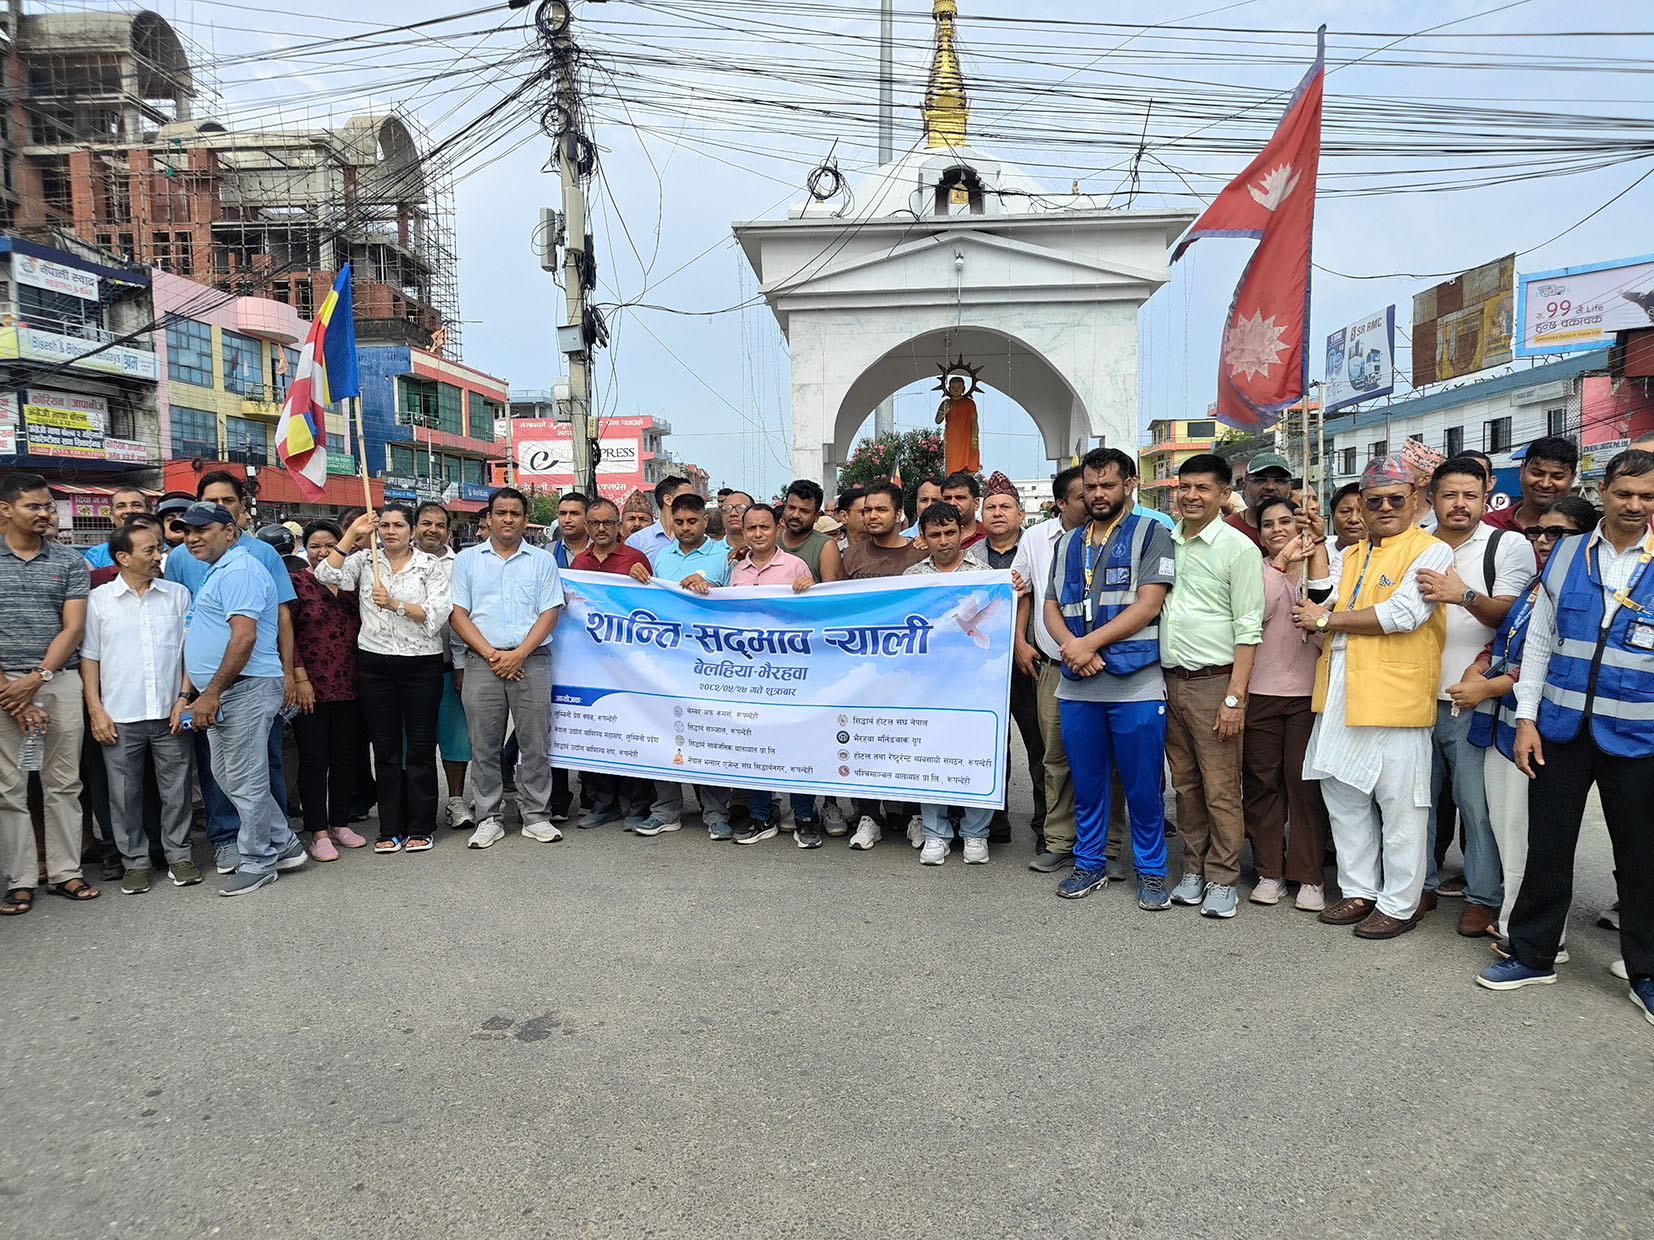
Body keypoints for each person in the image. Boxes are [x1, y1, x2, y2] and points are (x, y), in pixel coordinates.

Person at [1478, 450, 1654, 1023]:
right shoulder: (1566, 553)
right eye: (1624, 493)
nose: (1634, 505)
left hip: (1638, 734)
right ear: (1603, 490)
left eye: (1647, 496)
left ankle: (1644, 973)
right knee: (1548, 845)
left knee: (1641, 857)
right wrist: (1525, 718)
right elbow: (1539, 644)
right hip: (1558, 728)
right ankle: (1532, 953)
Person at [1292, 456, 1452, 939]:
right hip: (1341, 695)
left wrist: (1325, 621)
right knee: (1343, 798)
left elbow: (1404, 614)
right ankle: (1359, 889)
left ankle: (1400, 904)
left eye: (1395, 499)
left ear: (1418, 503)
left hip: (1396, 701)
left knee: (1402, 808)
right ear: (1361, 504)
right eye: (1374, 500)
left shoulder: (1433, 551)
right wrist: (1317, 545)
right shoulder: (1352, 555)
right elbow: (1322, 594)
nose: (1385, 507)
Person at [1449, 495, 1595, 947]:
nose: (1544, 540)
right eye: (1537, 532)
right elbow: (1507, 640)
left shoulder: (1583, 587)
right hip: (1499, 724)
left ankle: (1534, 936)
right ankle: (1519, 925)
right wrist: (1479, 664)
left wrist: (1490, 685)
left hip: (1538, 727)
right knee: (1504, 830)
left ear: (1586, 538)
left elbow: (1556, 663)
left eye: (1559, 533)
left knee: (1528, 838)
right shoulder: (1539, 582)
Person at [1043, 448, 1176, 909]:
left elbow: (1148, 604)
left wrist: (1090, 644)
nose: (1098, 495)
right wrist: (1073, 648)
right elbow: (1051, 607)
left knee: (1142, 787)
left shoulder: (1151, 534)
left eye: (1107, 485)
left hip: (1135, 682)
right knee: (1088, 782)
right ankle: (1089, 863)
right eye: (1090, 487)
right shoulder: (1067, 543)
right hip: (1078, 681)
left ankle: (1152, 870)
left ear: (1130, 485)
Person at [1415, 456, 1535, 936]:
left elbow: (1515, 619)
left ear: (1486, 497)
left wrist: (1461, 594)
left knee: (1475, 805)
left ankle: (1483, 895)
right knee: (1416, 802)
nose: (1459, 504)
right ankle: (1417, 884)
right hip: (1412, 698)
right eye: (1449, 495)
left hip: (1472, 700)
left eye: (1470, 495)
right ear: (1433, 499)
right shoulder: (1414, 543)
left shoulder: (1508, 546)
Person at [167, 471, 298, 874]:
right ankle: (285, 844)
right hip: (225, 691)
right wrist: (195, 692)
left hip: (242, 690)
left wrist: (210, 694)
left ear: (230, 529)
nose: (193, 538)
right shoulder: (216, 567)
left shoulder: (240, 569)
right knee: (229, 776)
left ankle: (258, 861)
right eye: (186, 531)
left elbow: (243, 638)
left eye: (202, 530)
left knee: (247, 778)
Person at [1160, 454, 1265, 919]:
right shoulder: (1168, 543)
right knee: (1184, 786)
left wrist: (1234, 699)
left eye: (1203, 488)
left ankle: (1223, 877)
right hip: (1169, 682)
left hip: (1214, 683)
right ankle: (1193, 869)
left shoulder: (1238, 549)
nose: (1190, 496)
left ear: (1225, 496)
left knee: (1221, 787)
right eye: (1185, 487)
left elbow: (1249, 629)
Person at [316, 507, 451, 854]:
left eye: (399, 525)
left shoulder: (429, 565)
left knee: (420, 749)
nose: (392, 531)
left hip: (421, 664)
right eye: (385, 525)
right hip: (375, 664)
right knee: (386, 750)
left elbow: (437, 614)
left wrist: (396, 604)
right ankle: (389, 827)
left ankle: (421, 824)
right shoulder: (364, 561)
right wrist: (353, 534)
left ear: (411, 530)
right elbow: (324, 573)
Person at [81, 520, 198, 893]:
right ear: (123, 557)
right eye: (149, 550)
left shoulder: (177, 595)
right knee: (124, 794)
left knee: (176, 790)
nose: (158, 556)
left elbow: (188, 654)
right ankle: (135, 862)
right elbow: (90, 659)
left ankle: (179, 856)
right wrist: (96, 710)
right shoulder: (99, 601)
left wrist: (183, 698)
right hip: (119, 715)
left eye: (159, 548)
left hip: (170, 713)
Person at [0, 472, 96, 914]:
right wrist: (11, 691)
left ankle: (65, 872)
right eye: (34, 506)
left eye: (48, 507)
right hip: (3, 686)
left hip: (57, 680)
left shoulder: (70, 560)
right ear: (6, 510)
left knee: (63, 783)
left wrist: (36, 679)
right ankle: (19, 879)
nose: (44, 514)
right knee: (9, 788)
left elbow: (73, 627)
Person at [448, 488, 564, 850]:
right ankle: (488, 817)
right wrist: (493, 655)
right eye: (501, 513)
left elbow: (550, 613)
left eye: (515, 513)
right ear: (489, 518)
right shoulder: (467, 561)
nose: (508, 519)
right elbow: (457, 614)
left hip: (532, 661)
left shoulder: (542, 561)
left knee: (535, 744)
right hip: (483, 662)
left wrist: (519, 654)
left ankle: (535, 816)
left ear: (525, 519)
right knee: (484, 745)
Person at [630, 492, 736, 840]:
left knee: (709, 735)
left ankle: (716, 812)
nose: (686, 528)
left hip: (711, 662)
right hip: (668, 661)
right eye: (679, 522)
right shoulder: (661, 558)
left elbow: (737, 604)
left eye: (693, 521)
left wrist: (712, 589)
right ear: (669, 522)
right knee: (665, 730)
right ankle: (665, 809)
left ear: (705, 521)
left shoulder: (725, 555)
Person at [1245, 497, 1331, 910]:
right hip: (1259, 691)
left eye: (1286, 521)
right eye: (1268, 524)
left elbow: (1328, 618)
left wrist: (1313, 563)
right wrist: (1280, 565)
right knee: (1263, 785)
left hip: (1308, 695)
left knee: (1305, 788)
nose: (1277, 529)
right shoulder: (1256, 569)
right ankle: (1269, 872)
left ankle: (1309, 876)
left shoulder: (1325, 567)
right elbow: (1255, 614)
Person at [899, 501, 993, 863]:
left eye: (949, 532)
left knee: (975, 752)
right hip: (929, 682)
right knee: (931, 752)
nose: (943, 541)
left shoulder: (984, 575)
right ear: (922, 537)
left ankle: (975, 832)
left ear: (962, 533)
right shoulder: (910, 578)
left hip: (975, 681)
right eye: (934, 534)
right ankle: (936, 832)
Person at [839, 481, 925, 850]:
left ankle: (913, 815)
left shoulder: (917, 555)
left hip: (910, 669)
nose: (872, 516)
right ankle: (868, 814)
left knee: (908, 742)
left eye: (881, 510)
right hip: (863, 669)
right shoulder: (852, 556)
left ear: (899, 514)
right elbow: (837, 607)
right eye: (867, 510)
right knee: (865, 743)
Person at [1013, 467, 1084, 872]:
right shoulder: (1037, 538)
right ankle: (1058, 839)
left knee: (1101, 760)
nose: (1092, 500)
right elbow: (1024, 590)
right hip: (1053, 665)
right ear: (1060, 502)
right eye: (1082, 494)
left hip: (1104, 663)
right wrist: (1022, 641)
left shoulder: (1111, 535)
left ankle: (1106, 845)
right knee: (1053, 757)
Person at [569, 498, 655, 829]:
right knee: (594, 731)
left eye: (608, 523)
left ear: (619, 526)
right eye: (595, 523)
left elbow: (654, 606)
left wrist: (643, 581)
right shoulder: (579, 562)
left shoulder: (635, 559)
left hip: (628, 663)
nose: (602, 529)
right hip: (589, 662)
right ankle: (601, 802)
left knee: (632, 731)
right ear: (587, 527)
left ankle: (636, 804)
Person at [285, 519, 366, 861]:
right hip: (312, 687)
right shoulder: (296, 583)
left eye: (329, 544)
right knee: (315, 759)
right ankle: (317, 830)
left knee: (347, 757)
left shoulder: (352, 584)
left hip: (352, 683)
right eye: (314, 545)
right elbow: (286, 637)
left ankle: (340, 822)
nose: (322, 552)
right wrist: (299, 679)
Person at [978, 471, 1044, 848]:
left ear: (1021, 514)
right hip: (984, 665)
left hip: (1028, 660)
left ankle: (1046, 828)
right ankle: (991, 823)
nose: (997, 513)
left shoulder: (1037, 548)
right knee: (988, 745)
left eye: (1005, 507)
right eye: (990, 507)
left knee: (1040, 746)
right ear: (980, 514)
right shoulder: (968, 556)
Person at [1483, 436, 1578, 533]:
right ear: (1522, 471)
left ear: (1572, 478)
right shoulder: (1488, 525)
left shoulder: (1586, 530)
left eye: (1557, 477)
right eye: (1537, 474)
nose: (1545, 484)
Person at [1225, 452, 1293, 551]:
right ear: (1244, 486)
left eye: (1279, 480)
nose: (1270, 487)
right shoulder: (1227, 530)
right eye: (1260, 480)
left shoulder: (1302, 529)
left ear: (1290, 487)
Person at [778, 479, 841, 583]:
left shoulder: (825, 546)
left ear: (817, 516)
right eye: (791, 508)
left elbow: (830, 593)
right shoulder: (772, 539)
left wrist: (812, 588)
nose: (795, 515)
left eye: (804, 511)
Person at [626, 477, 692, 563]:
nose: (693, 502)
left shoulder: (698, 539)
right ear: (668, 500)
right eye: (688, 498)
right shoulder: (637, 541)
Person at [83, 487, 150, 569]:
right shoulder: (96, 555)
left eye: (136, 505)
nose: (129, 510)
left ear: (150, 513)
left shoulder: (165, 550)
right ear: (111, 517)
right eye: (121, 506)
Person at [941, 471, 986, 549]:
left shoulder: (989, 537)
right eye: (947, 498)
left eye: (960, 498)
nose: (952, 503)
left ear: (976, 503)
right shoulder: (932, 538)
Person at [551, 492, 591, 569]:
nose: (567, 520)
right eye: (563, 513)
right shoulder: (547, 552)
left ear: (587, 517)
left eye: (574, 514)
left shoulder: (602, 551)